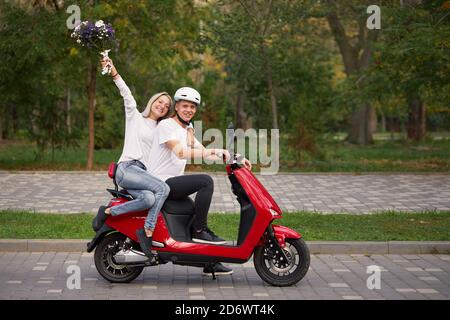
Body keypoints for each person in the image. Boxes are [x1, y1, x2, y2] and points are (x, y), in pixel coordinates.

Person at [92, 58, 193, 258]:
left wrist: (189, 128)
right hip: (128, 168)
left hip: (142, 175)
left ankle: (108, 213)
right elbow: (126, 94)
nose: (163, 106)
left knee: (149, 198)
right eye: (160, 102)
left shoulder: (163, 128)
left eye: (166, 105)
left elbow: (182, 135)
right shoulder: (136, 117)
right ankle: (148, 231)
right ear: (152, 102)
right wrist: (113, 71)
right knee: (163, 188)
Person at [146, 86, 252, 275]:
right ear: (176, 107)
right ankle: (200, 231)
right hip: (160, 182)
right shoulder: (166, 126)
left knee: (193, 211)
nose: (189, 110)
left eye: (193, 107)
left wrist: (235, 157)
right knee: (205, 181)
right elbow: (180, 152)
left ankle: (208, 262)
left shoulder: (188, 128)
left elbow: (204, 152)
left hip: (171, 182)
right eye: (185, 106)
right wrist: (212, 151)